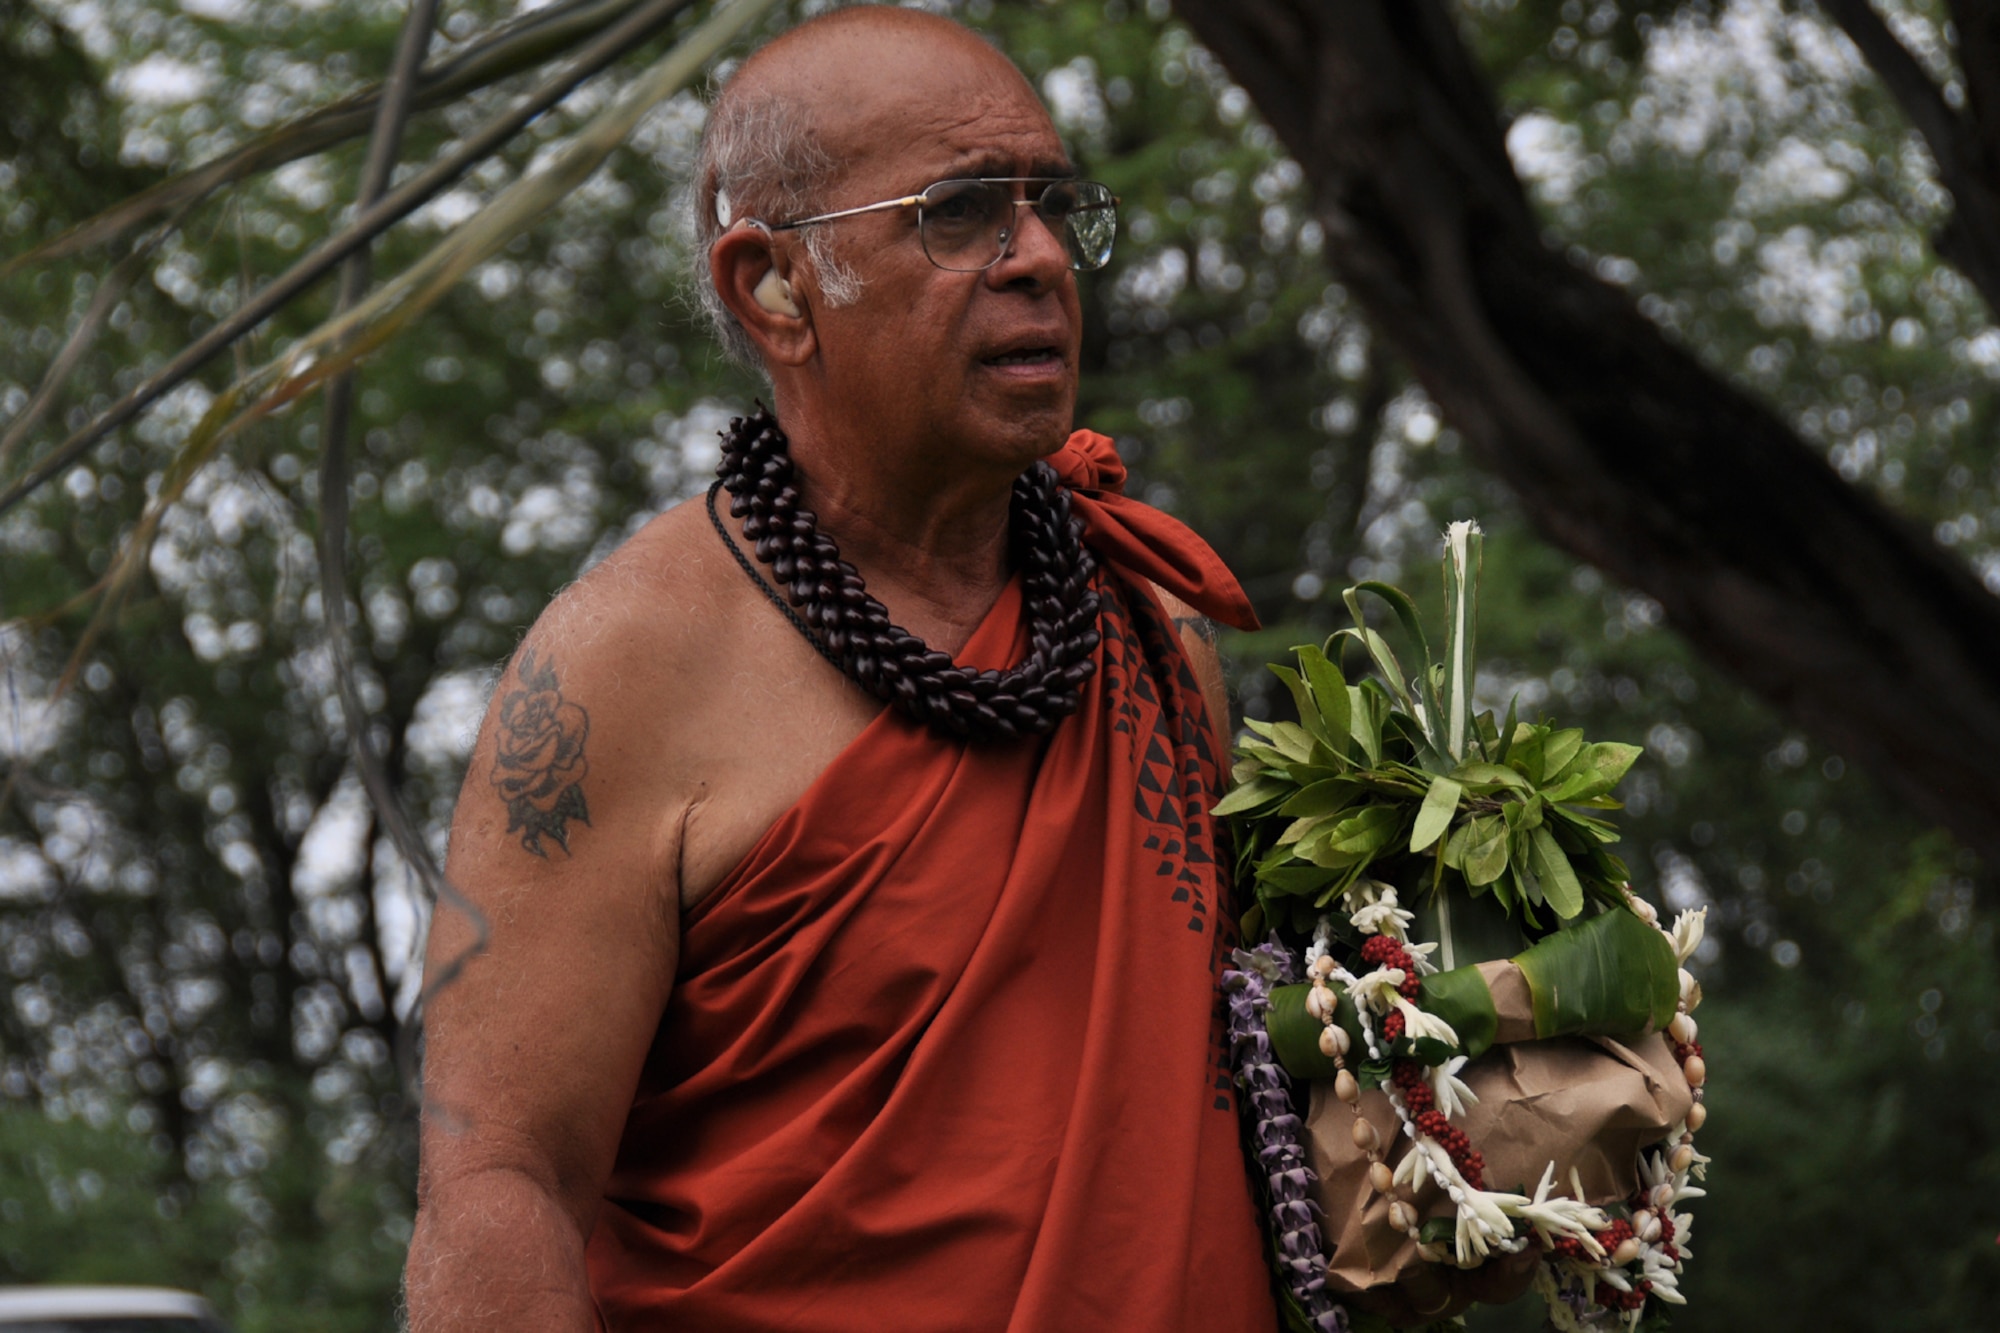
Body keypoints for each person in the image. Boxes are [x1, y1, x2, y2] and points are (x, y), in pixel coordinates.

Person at [404, 7, 1281, 1329]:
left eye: (1054, 205)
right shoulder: (620, 672)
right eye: (962, 210)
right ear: (772, 287)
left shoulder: (1156, 629)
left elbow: (1225, 1099)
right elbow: (500, 1184)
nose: (1040, 257)